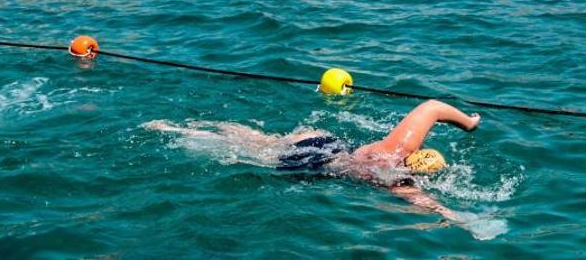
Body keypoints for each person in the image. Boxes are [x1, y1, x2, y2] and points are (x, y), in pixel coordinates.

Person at [144, 100, 487, 230]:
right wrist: (469, 222)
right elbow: (433, 207)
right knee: (247, 151)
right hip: (314, 162)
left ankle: (181, 125)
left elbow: (432, 106)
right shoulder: (394, 181)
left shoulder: (396, 146)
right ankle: (173, 130)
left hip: (324, 141)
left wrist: (468, 123)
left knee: (259, 140)